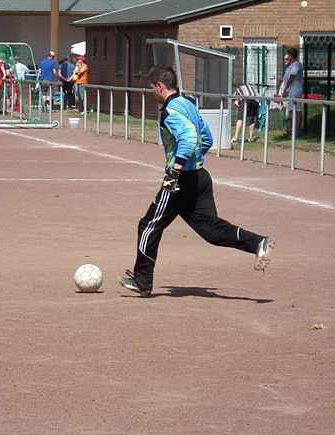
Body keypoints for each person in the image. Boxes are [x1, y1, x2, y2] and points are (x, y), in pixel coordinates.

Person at [118, 65, 275, 298]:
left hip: (179, 180)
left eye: (152, 87)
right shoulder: (188, 104)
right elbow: (206, 138)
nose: (152, 91)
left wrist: (178, 167)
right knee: (210, 230)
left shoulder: (170, 110)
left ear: (160, 86)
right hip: (199, 176)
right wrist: (195, 161)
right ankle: (257, 243)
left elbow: (190, 137)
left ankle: (142, 281)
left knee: (149, 224)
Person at [275, 47, 304, 137]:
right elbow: (285, 80)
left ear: (292, 56)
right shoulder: (288, 68)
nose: (285, 60)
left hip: (295, 91)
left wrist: (286, 89)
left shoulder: (297, 65)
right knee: (289, 111)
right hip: (289, 92)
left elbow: (292, 77)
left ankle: (296, 131)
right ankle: (289, 130)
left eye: (287, 58)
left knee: (297, 111)